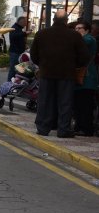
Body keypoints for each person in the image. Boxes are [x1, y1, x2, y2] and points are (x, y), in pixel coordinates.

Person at [30, 10, 89, 138]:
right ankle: (63, 129)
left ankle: (43, 128)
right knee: (65, 102)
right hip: (66, 74)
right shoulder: (74, 35)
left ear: (53, 20)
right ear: (66, 21)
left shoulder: (41, 34)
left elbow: (33, 55)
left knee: (44, 101)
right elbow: (84, 57)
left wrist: (43, 64)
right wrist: (74, 65)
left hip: (46, 73)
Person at [73, 22, 97, 136]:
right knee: (78, 104)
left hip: (87, 77)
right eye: (75, 28)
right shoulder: (81, 39)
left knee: (85, 105)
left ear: (87, 30)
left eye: (79, 28)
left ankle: (86, 128)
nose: (77, 30)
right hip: (80, 77)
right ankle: (79, 126)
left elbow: (80, 44)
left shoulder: (89, 39)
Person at [8, 16, 30, 81]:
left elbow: (19, 38)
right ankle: (9, 85)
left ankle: (17, 84)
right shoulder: (14, 28)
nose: (26, 24)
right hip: (15, 52)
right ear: (21, 22)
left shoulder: (19, 28)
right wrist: (24, 33)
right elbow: (14, 37)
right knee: (13, 70)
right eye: (25, 22)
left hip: (20, 52)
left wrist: (25, 45)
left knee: (20, 70)